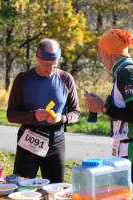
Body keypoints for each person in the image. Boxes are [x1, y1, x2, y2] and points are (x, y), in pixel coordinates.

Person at [85, 29, 133, 200]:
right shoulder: (124, 72)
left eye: (100, 53)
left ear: (109, 53)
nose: (100, 58)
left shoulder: (127, 73)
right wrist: (103, 106)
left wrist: (103, 108)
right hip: (132, 149)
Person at [7, 38, 80, 183]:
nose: (50, 69)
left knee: (55, 189)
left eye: (54, 65)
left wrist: (62, 118)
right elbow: (11, 115)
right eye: (45, 64)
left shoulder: (66, 79)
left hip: (56, 140)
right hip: (29, 139)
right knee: (22, 187)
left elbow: (76, 112)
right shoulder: (22, 79)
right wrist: (33, 116)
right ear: (37, 58)